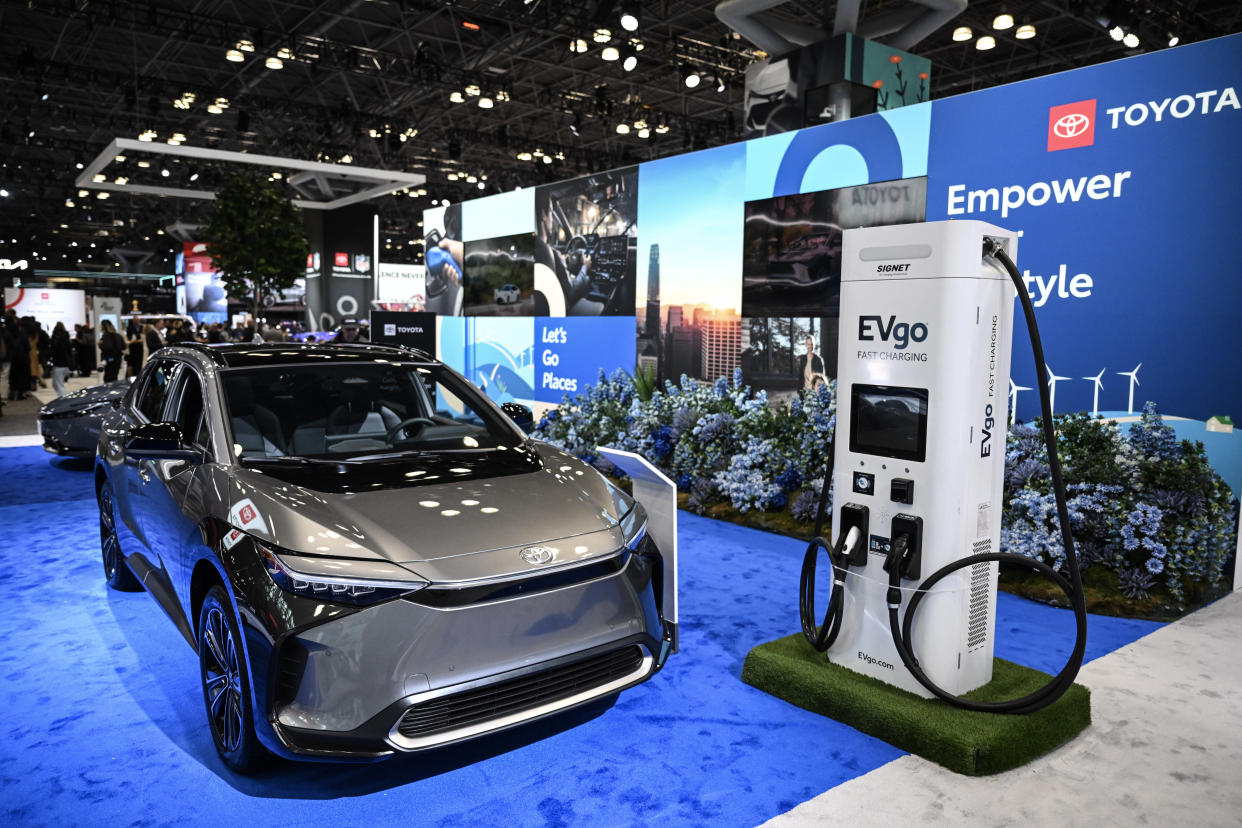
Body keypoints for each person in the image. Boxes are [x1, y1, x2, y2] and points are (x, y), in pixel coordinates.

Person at [534, 188, 601, 314]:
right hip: (562, 316)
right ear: (543, 215)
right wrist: (585, 267)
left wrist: (561, 264)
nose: (552, 219)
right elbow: (572, 292)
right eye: (551, 212)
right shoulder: (550, 254)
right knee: (587, 283)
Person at [49, 322, 73, 397]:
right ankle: (63, 398)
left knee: (59, 385)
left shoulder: (55, 339)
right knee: (56, 384)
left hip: (58, 364)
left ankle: (63, 399)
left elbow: (53, 351)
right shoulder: (67, 339)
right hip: (66, 364)